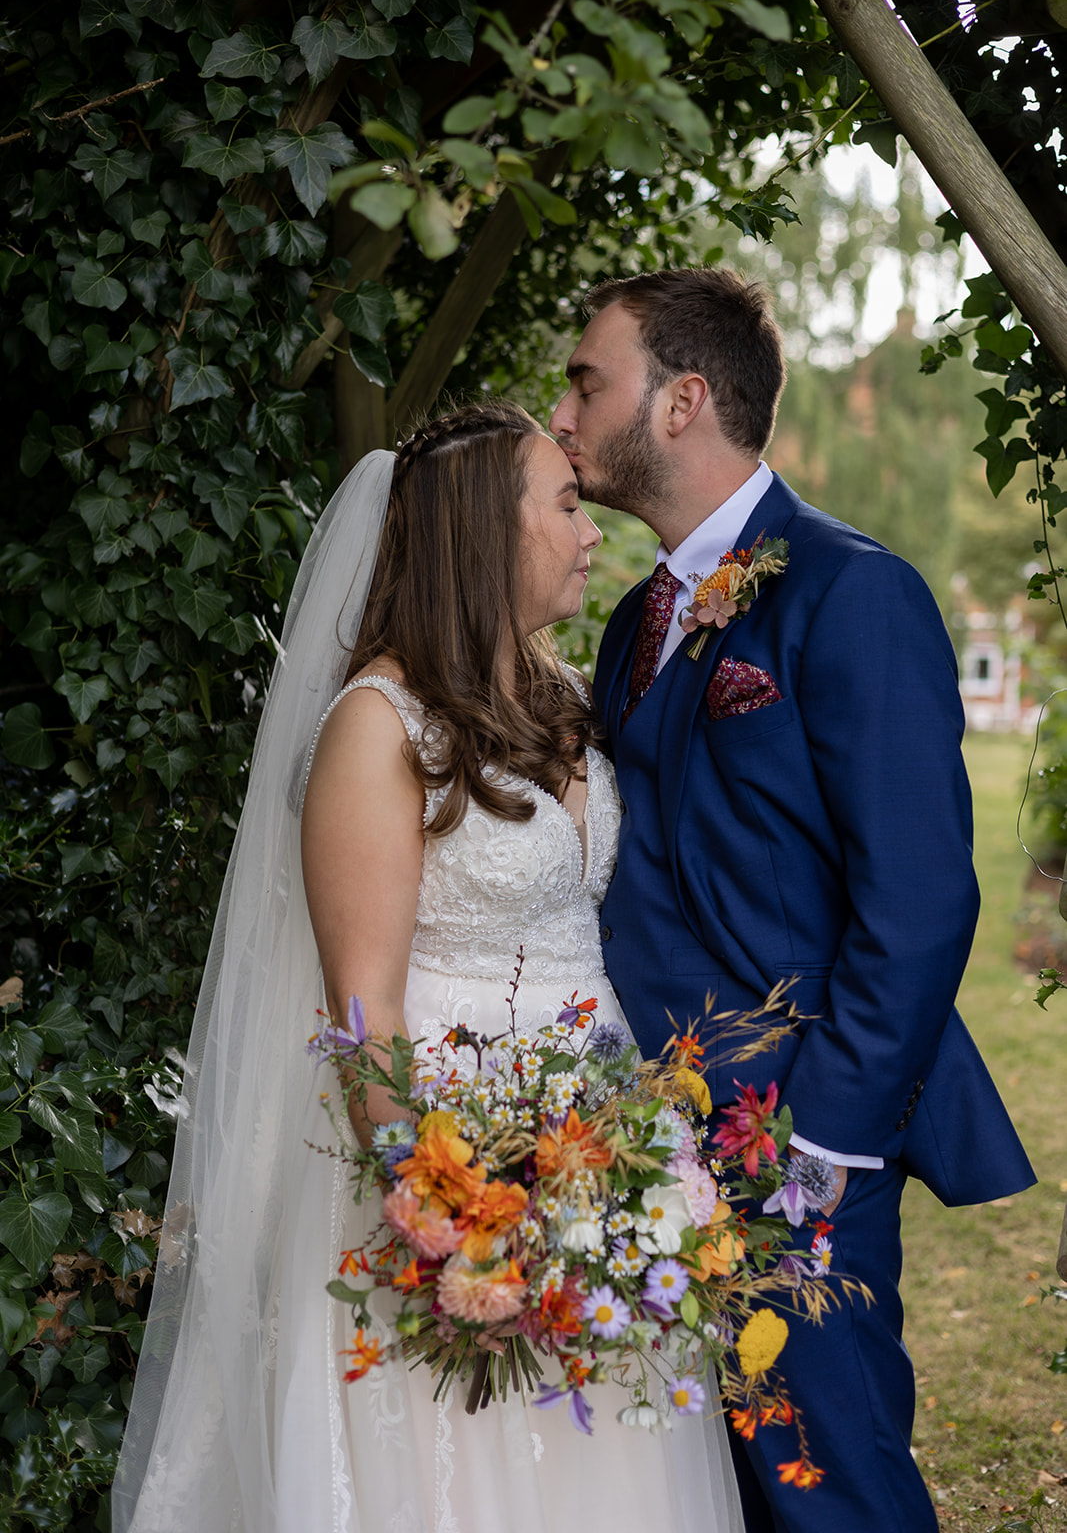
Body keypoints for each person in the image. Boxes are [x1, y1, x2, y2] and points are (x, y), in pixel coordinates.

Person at [111, 401, 744, 1533]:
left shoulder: (556, 702)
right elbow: (368, 1016)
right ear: (481, 535)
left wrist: (625, 1180)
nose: (591, 528)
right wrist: (460, 1219)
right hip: (460, 1180)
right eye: (562, 503)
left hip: (603, 1159)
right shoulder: (377, 728)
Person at [549, 268, 1036, 1533]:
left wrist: (824, 1136)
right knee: (703, 1484)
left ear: (681, 401)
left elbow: (919, 899)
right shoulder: (629, 625)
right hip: (641, 1132)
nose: (561, 411)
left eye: (584, 380)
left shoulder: (848, 591)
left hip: (792, 1135)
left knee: (828, 1481)